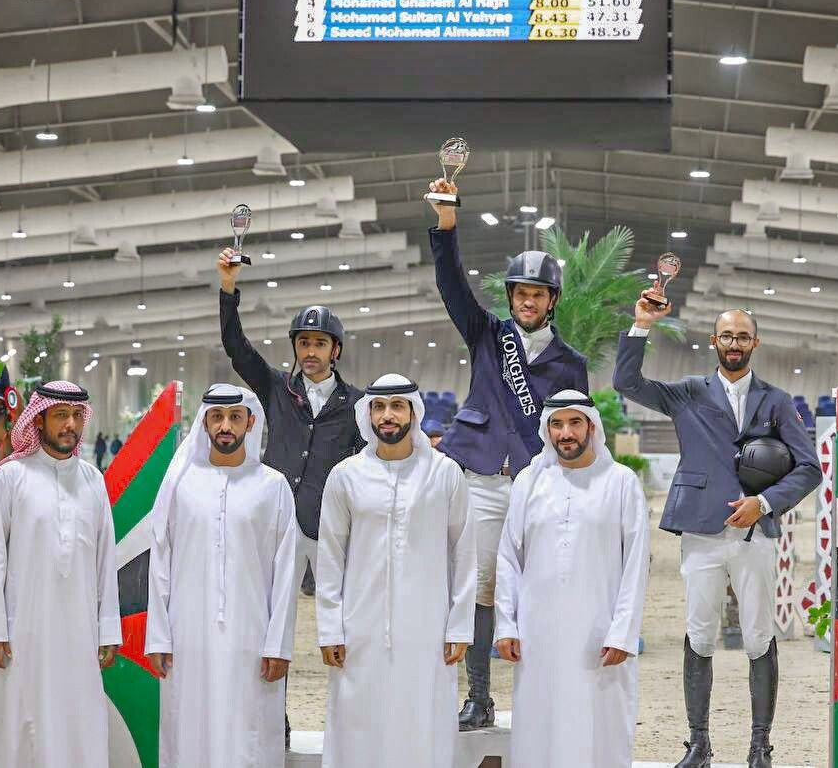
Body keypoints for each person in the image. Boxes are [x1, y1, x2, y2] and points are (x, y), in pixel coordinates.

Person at [613, 305, 821, 768]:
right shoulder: (688, 393)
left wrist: (763, 503)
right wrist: (641, 325)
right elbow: (627, 383)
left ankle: (759, 745)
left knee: (758, 637)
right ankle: (698, 744)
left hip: (757, 533)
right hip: (702, 530)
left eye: (742, 336)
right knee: (700, 634)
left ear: (755, 343)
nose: (734, 343)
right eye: (726, 336)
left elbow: (810, 468)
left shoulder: (778, 401)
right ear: (714, 341)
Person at [426, 178, 589, 729]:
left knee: (537, 587)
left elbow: (575, 431)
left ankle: (540, 698)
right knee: (477, 587)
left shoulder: (571, 363)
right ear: (512, 297)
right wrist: (447, 225)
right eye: (520, 292)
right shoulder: (486, 334)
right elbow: (452, 287)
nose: (527, 299)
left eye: (537, 293)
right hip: (479, 477)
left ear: (552, 300)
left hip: (536, 482)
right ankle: (478, 697)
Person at [217, 247, 367, 745]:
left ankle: (346, 722)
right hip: (279, 523)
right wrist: (228, 289)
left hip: (332, 529)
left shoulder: (359, 403)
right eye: (303, 342)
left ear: (336, 350)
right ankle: (272, 719)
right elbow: (237, 349)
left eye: (320, 343)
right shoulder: (276, 388)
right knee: (273, 624)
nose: (311, 350)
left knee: (341, 626)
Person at [315, 374, 476, 768]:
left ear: (413, 412)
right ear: (367, 414)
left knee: (423, 722)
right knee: (358, 724)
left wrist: (459, 626)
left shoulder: (444, 473)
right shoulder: (346, 475)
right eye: (379, 407)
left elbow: (463, 553)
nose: (387, 416)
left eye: (397, 406)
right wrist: (330, 628)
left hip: (428, 630)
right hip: (359, 629)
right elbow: (331, 556)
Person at [494, 389, 650, 768]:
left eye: (574, 422)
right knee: (539, 726)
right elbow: (508, 557)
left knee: (600, 729)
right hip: (537, 635)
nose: (566, 433)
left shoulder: (621, 481)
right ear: (547, 430)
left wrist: (623, 632)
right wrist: (506, 624)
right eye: (557, 424)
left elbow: (636, 565)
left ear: (591, 427)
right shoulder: (529, 480)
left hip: (599, 636)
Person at [146, 384, 297, 768]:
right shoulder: (181, 484)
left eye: (234, 417)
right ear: (205, 423)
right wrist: (159, 635)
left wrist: (278, 644)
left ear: (250, 422)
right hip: (187, 635)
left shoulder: (273, 487)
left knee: (249, 730)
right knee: (189, 728)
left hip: (252, 635)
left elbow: (286, 572)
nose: (225, 425)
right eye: (217, 417)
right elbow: (160, 562)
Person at [0, 381, 121, 768]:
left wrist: (108, 629)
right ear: (39, 420)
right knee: (22, 722)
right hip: (22, 631)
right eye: (61, 415)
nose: (70, 424)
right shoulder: (10, 478)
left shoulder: (93, 480)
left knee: (78, 717)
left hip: (79, 632)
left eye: (76, 416)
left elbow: (106, 560)